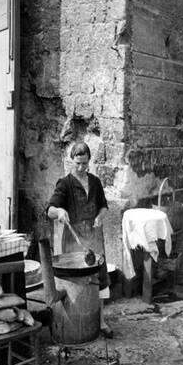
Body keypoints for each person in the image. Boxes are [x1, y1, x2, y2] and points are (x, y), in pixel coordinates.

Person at [47, 141, 113, 338]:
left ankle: (100, 321)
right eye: (77, 163)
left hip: (93, 237)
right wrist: (59, 211)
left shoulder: (95, 182)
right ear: (71, 161)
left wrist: (101, 216)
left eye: (84, 163)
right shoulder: (65, 183)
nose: (81, 168)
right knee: (75, 283)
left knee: (100, 278)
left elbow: (103, 205)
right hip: (73, 240)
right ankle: (72, 323)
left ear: (89, 161)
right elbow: (49, 209)